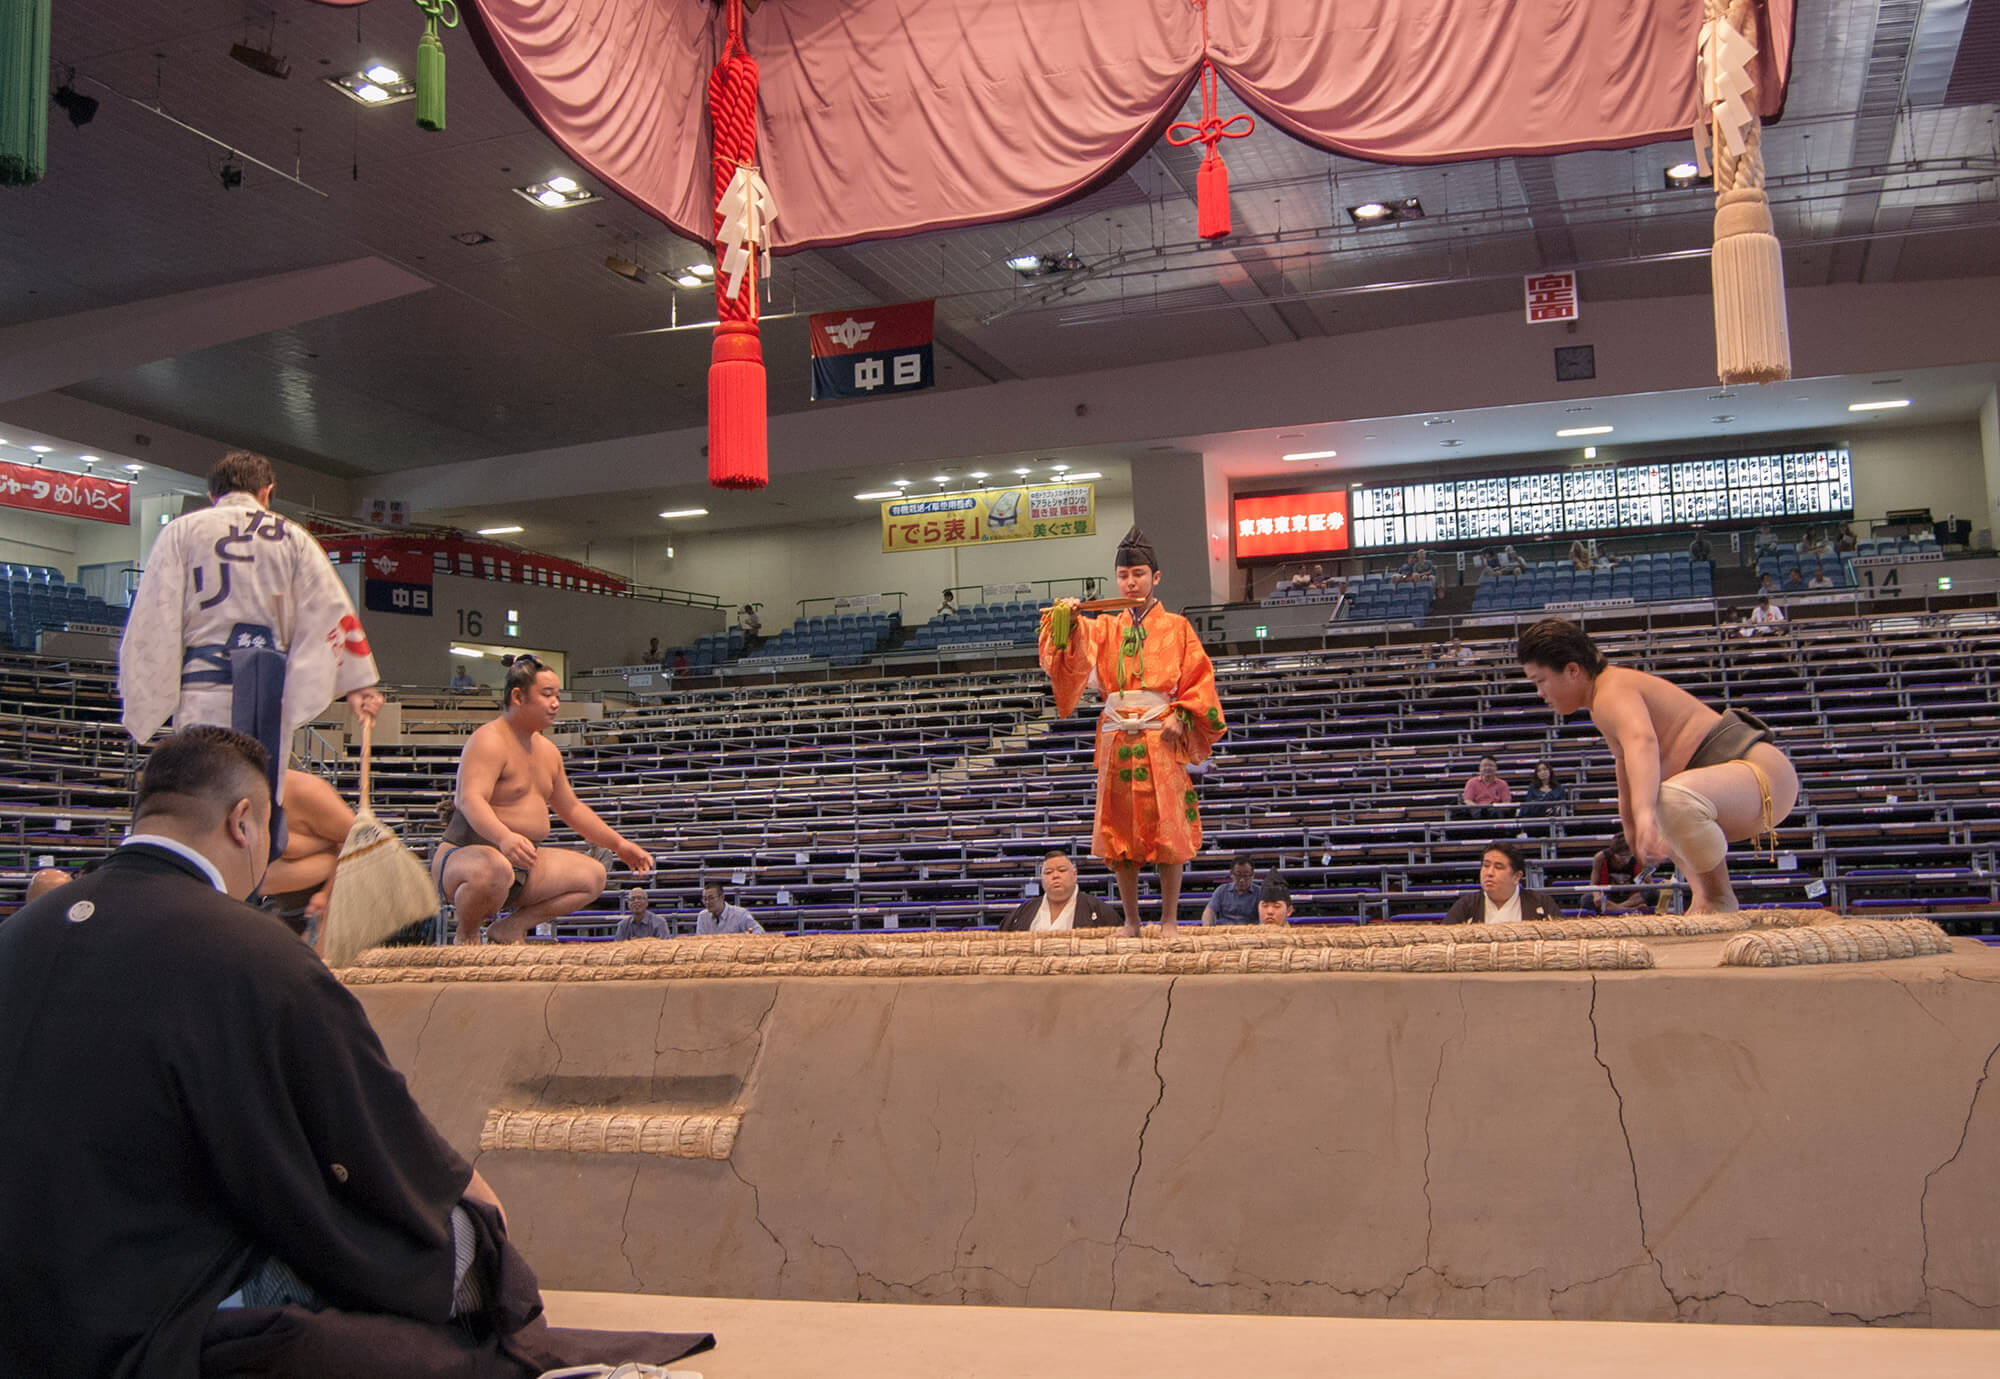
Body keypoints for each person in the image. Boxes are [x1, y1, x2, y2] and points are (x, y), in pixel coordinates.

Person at [0, 726, 708, 1379]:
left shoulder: (19, 935)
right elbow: (362, 1125)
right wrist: (457, 1183)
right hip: (166, 1295)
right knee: (466, 1240)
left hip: (26, 1296)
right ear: (243, 821)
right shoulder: (249, 950)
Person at [118, 450, 382, 851]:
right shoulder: (293, 537)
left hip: (202, 690)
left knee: (199, 798)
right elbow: (330, 608)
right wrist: (356, 682)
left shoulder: (183, 531)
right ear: (267, 492)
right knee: (254, 806)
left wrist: (147, 696)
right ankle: (246, 891)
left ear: (212, 494)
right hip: (266, 694)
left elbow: (154, 616)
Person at [1518, 617, 1798, 915]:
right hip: (1731, 787)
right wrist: (1632, 825)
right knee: (1659, 812)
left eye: (1540, 681)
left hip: (1759, 774)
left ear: (1572, 670)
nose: (1540, 693)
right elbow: (1624, 763)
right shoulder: (1601, 702)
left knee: (1666, 800)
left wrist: (1646, 813)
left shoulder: (1611, 688)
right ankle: (1705, 896)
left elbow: (1642, 742)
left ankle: (1718, 897)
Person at [1040, 526, 1227, 935]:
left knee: (1168, 830)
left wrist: (1183, 714)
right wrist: (1066, 621)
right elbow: (1061, 659)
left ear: (1155, 577)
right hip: (1116, 735)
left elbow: (1201, 681)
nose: (1131, 582)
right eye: (1124, 575)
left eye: (1139, 574)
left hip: (1161, 732)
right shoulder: (1103, 626)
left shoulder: (1178, 627)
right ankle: (1131, 920)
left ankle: (1170, 919)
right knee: (1118, 832)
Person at [433, 655, 654, 944]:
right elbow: (470, 799)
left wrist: (619, 845)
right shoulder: (489, 740)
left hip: (522, 864)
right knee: (495, 867)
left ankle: (511, 927)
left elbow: (572, 809)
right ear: (518, 696)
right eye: (547, 694)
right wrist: (503, 838)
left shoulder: (549, 752)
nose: (555, 703)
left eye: (557, 696)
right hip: (466, 859)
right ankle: (467, 934)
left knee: (593, 875)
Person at [255, 765, 361, 941]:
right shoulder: (240, 796)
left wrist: (326, 894)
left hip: (324, 905)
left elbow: (359, 838)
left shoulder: (308, 791)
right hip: (276, 903)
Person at [1000, 850, 1125, 931]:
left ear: (1074, 875)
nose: (1055, 875)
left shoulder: (1101, 911)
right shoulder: (1022, 912)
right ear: (1042, 879)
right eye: (1048, 872)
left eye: (1061, 870)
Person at [1445, 841, 1563, 923]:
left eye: (1498, 867)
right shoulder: (1466, 906)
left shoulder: (1541, 903)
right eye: (1486, 865)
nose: (1489, 872)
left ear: (1517, 877)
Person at [1588, 833, 1657, 915]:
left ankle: (1616, 909)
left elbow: (1650, 883)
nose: (1625, 861)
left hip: (1631, 897)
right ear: (1613, 853)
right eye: (1621, 857)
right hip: (1608, 896)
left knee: (1652, 892)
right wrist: (1596, 896)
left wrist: (1644, 881)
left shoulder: (1640, 857)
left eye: (1629, 856)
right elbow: (1594, 883)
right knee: (1587, 899)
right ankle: (1629, 910)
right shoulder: (1600, 858)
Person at [1200, 854, 1261, 926]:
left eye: (1246, 875)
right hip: (1227, 932)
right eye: (1238, 875)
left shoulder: (1259, 892)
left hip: (1252, 932)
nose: (1242, 880)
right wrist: (1207, 928)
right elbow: (1210, 911)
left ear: (1252, 875)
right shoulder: (1222, 890)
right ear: (1232, 874)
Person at [695, 880, 764, 935]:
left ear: (722, 897)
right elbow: (699, 940)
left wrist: (741, 937)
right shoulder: (702, 916)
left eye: (711, 898)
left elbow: (760, 932)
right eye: (705, 899)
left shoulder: (740, 914)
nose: (707, 902)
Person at [1517, 760, 1569, 833]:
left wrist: (1554, 809)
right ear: (1537, 774)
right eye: (1539, 771)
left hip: (1554, 818)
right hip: (1536, 819)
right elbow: (1529, 805)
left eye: (1545, 769)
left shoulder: (1559, 788)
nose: (1542, 772)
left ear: (1550, 771)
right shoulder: (1532, 788)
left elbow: (1563, 804)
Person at [1458, 755, 1512, 819]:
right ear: (1479, 768)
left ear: (1496, 768)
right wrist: (1480, 808)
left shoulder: (1502, 784)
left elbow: (1506, 803)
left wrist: (1494, 807)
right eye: (1485, 765)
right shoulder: (1471, 782)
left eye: (1491, 765)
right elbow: (1467, 801)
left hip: (1496, 811)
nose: (1488, 768)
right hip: (1477, 811)